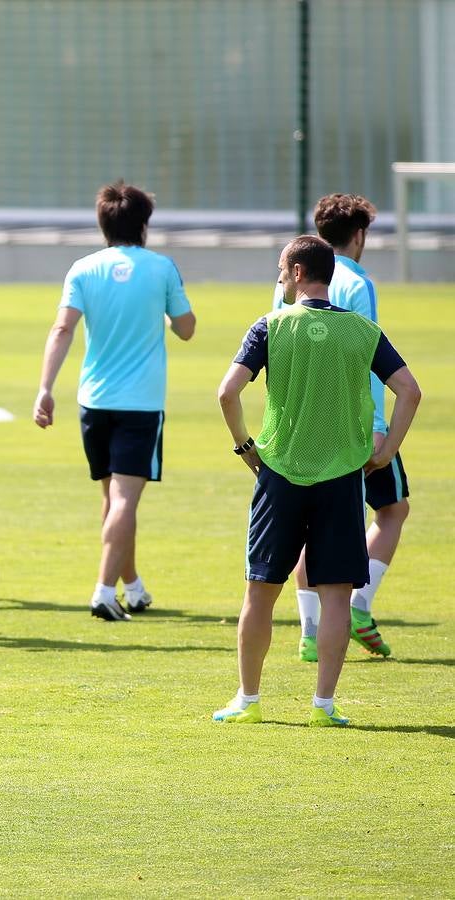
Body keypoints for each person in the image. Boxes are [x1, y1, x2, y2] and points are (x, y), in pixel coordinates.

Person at [214, 236, 420, 726]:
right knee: (334, 594)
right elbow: (410, 390)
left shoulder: (270, 327)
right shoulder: (363, 331)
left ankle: (248, 699)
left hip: (279, 474)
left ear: (300, 270)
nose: (279, 278)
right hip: (343, 478)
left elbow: (227, 393)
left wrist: (246, 448)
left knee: (260, 590)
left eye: (282, 270)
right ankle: (324, 706)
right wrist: (387, 449)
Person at [33, 181, 196, 620]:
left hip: (94, 401)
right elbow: (186, 328)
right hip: (140, 403)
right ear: (143, 224)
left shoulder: (83, 268)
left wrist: (45, 388)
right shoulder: (162, 268)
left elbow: (62, 329)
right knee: (124, 501)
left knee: (112, 499)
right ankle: (104, 592)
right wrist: (162, 304)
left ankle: (133, 586)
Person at [273, 195, 408, 661]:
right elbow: (370, 356)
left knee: (307, 521)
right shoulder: (358, 283)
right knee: (392, 510)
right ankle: (358, 606)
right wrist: (378, 429)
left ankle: (310, 629)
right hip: (351, 425)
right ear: (360, 235)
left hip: (297, 426)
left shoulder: (287, 279)